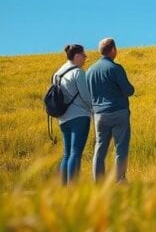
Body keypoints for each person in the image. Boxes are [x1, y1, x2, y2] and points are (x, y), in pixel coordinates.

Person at [86, 37, 135, 183]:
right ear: (113, 49)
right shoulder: (115, 68)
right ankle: (120, 180)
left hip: (99, 115)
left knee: (100, 149)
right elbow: (128, 90)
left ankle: (98, 182)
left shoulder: (90, 71)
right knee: (121, 148)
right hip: (118, 112)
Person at [53, 43, 93, 184]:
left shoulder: (58, 73)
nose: (85, 57)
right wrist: (95, 111)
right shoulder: (78, 72)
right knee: (76, 154)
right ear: (76, 56)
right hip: (79, 117)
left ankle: (63, 188)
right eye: (83, 54)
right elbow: (86, 96)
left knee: (67, 154)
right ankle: (73, 188)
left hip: (63, 118)